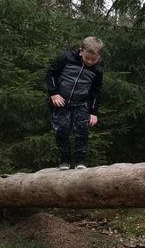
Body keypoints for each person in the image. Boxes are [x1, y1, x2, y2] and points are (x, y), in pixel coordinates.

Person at [45, 36, 105, 170]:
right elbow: (51, 74)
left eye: (93, 59)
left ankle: (80, 161)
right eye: (87, 58)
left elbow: (96, 92)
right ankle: (64, 160)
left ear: (99, 56)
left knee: (82, 132)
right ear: (81, 50)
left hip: (81, 103)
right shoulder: (66, 58)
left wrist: (93, 112)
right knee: (62, 130)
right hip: (61, 101)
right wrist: (54, 93)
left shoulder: (97, 70)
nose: (89, 62)